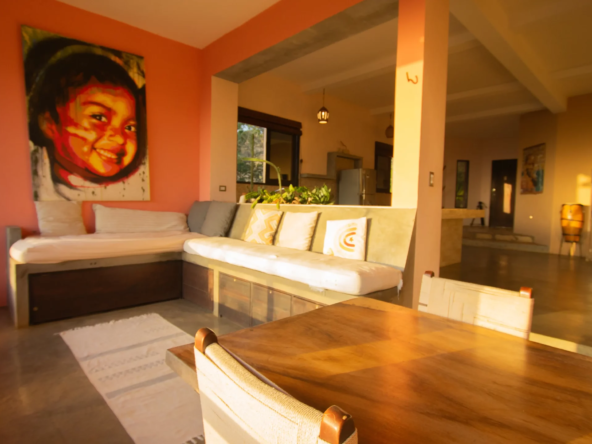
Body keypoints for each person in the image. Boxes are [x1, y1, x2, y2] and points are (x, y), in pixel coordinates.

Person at [25, 38, 147, 201]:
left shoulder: (139, 180)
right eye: (99, 117)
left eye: (130, 128)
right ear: (49, 124)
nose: (119, 138)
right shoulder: (33, 176)